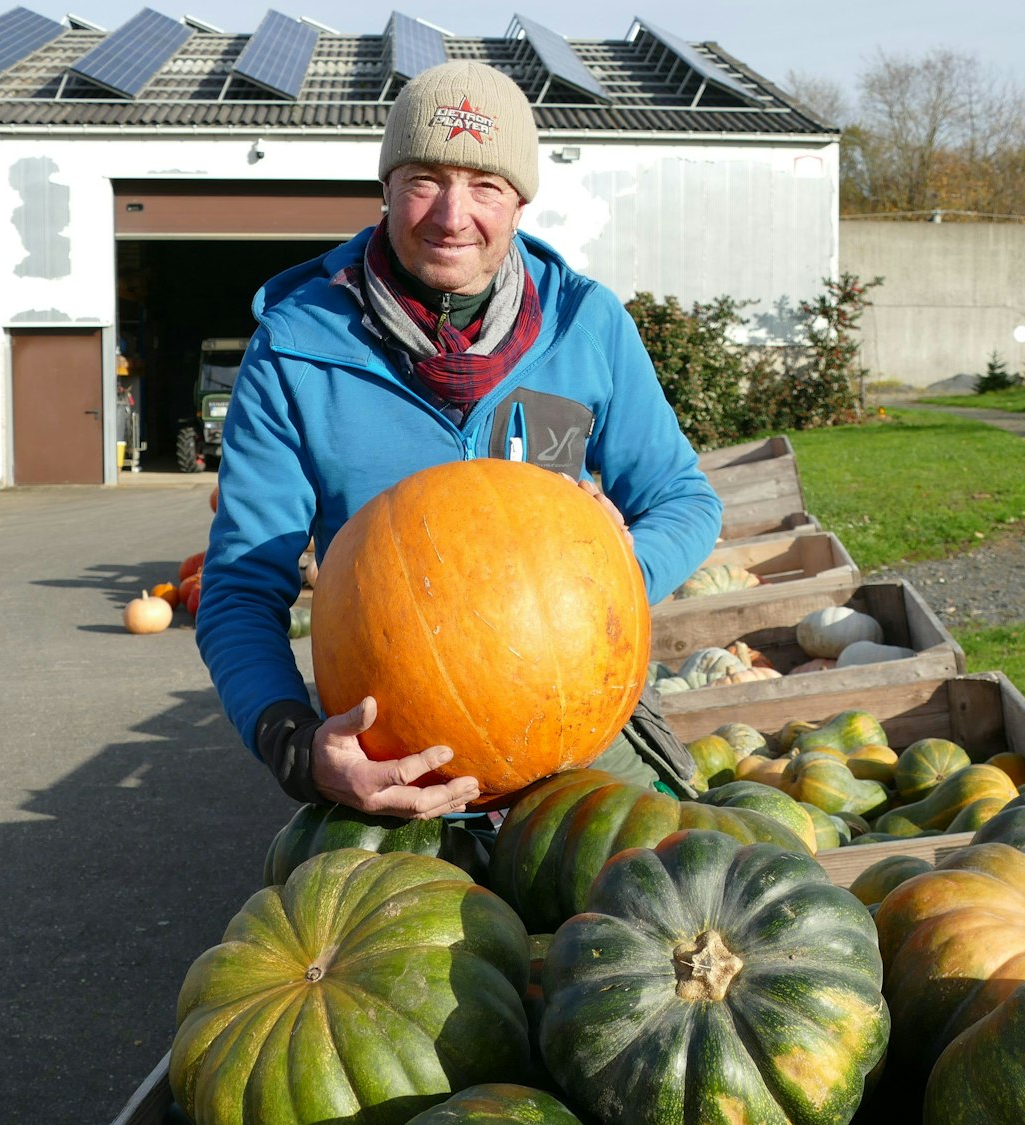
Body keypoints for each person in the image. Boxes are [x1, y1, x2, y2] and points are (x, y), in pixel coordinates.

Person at [196, 60, 721, 820]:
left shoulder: (587, 324)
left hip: (576, 720)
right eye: (425, 180)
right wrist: (296, 746)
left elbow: (684, 500)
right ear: (386, 187)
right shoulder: (295, 347)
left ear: (520, 202)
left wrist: (607, 580)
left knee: (670, 880)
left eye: (485, 185)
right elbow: (242, 585)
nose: (452, 214)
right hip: (397, 749)